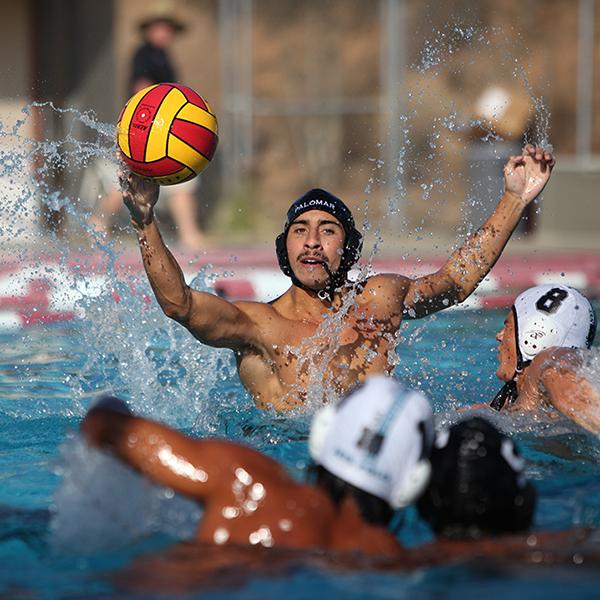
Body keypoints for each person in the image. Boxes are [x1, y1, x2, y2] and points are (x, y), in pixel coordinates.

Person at [122, 144, 554, 410]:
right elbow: (180, 304)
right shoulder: (258, 324)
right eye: (299, 231)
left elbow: (455, 282)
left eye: (327, 231)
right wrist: (145, 221)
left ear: (347, 249)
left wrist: (514, 200)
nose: (311, 242)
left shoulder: (379, 298)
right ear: (285, 248)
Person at [80, 376, 433, 556]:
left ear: (322, 431)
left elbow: (104, 426)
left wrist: (110, 404)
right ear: (412, 482)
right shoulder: (398, 562)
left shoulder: (247, 483)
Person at [90, 11, 206, 250]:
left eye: (168, 29)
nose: (165, 33)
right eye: (160, 28)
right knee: (132, 178)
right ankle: (188, 232)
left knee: (131, 178)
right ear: (150, 30)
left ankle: (188, 232)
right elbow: (142, 90)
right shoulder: (144, 54)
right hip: (149, 128)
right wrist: (153, 124)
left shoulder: (163, 56)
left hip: (155, 127)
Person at [489, 284, 599, 433]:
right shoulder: (507, 401)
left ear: (535, 335)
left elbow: (561, 370)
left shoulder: (546, 362)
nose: (499, 336)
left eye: (507, 326)